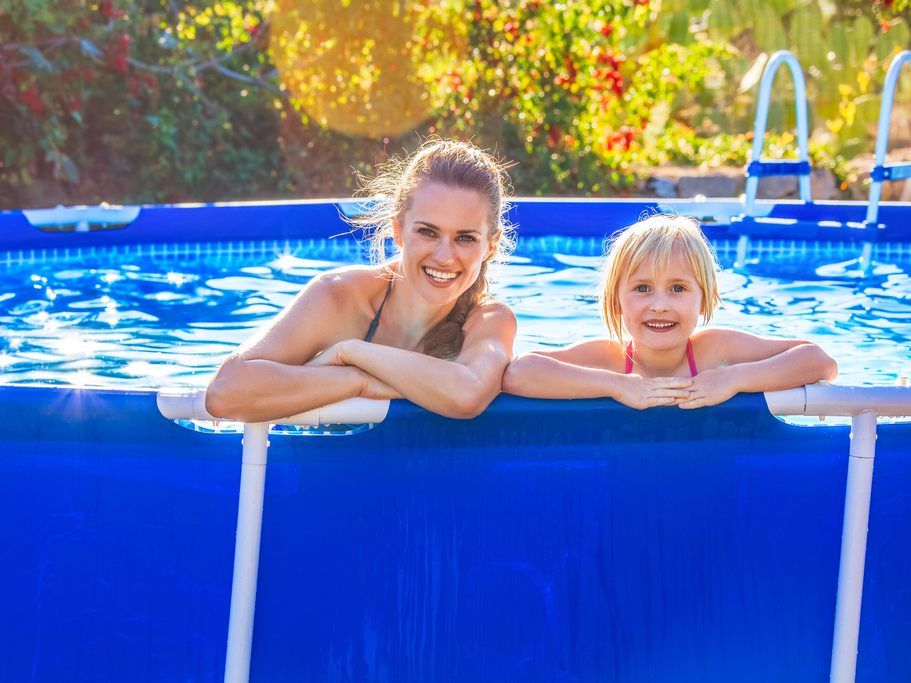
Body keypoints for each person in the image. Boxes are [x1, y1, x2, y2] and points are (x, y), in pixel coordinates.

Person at [205, 139, 517, 421]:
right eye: (427, 232)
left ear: (490, 245)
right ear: (398, 230)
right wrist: (358, 380)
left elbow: (467, 395)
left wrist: (353, 353)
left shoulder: (488, 320)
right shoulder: (338, 297)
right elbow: (225, 393)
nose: (444, 256)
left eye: (465, 238)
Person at [502, 214, 837, 409]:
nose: (659, 305)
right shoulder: (609, 359)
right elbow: (518, 372)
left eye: (678, 289)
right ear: (616, 301)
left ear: (704, 298)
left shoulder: (715, 352)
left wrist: (733, 379)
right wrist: (617, 386)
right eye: (642, 289)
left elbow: (819, 361)